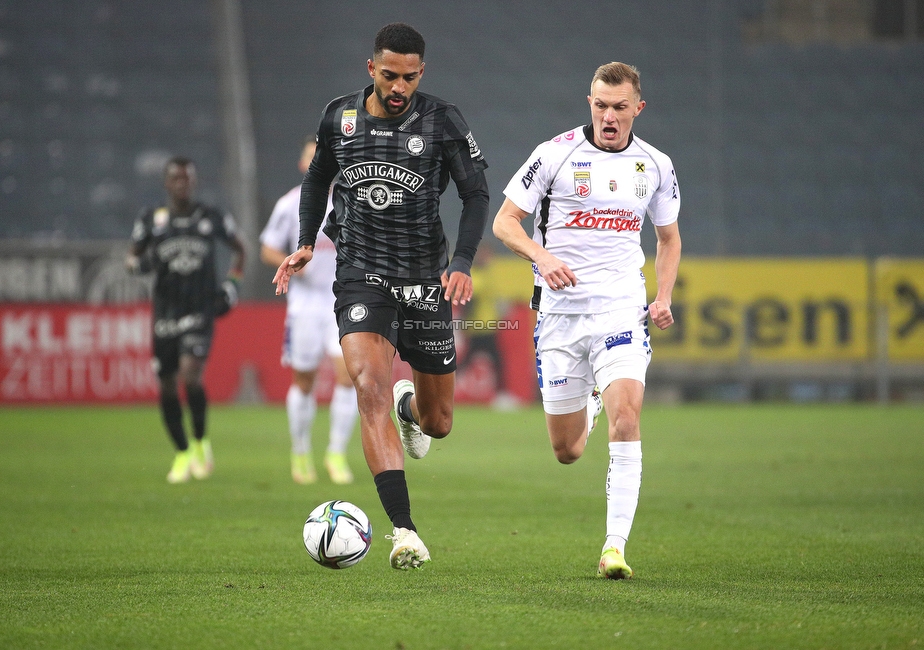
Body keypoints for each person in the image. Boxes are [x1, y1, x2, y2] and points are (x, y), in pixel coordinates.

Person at [273, 23, 489, 569]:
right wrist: (304, 244)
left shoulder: (442, 120)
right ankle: (404, 530)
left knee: (439, 423)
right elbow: (317, 180)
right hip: (361, 275)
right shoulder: (339, 117)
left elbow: (476, 193)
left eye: (409, 77)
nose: (398, 86)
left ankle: (409, 405)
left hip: (424, 280)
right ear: (371, 69)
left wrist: (461, 263)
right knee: (368, 384)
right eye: (389, 75)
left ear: (422, 73)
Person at [492, 62, 681, 579]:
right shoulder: (553, 154)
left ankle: (614, 547)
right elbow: (505, 221)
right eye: (600, 105)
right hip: (559, 317)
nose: (609, 116)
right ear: (589, 103)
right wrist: (542, 257)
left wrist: (662, 295)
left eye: (620, 107)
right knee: (568, 449)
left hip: (621, 308)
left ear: (638, 108)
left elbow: (668, 238)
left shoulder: (656, 165)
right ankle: (589, 402)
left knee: (629, 418)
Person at [127, 157, 246, 484]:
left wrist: (232, 286)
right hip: (165, 314)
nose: (183, 184)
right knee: (166, 387)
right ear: (167, 183)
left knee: (190, 377)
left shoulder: (211, 216)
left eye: (187, 178)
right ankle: (181, 452)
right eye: (176, 179)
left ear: (194, 182)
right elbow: (131, 258)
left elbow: (240, 250)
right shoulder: (152, 219)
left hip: (200, 309)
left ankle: (200, 440)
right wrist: (141, 265)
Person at [260, 136, 358, 485]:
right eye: (312, 157)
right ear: (304, 165)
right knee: (304, 381)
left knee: (348, 376)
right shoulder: (289, 204)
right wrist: (289, 264)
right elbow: (268, 249)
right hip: (304, 304)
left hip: (342, 301)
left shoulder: (350, 200)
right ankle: (301, 451)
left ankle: (336, 453)